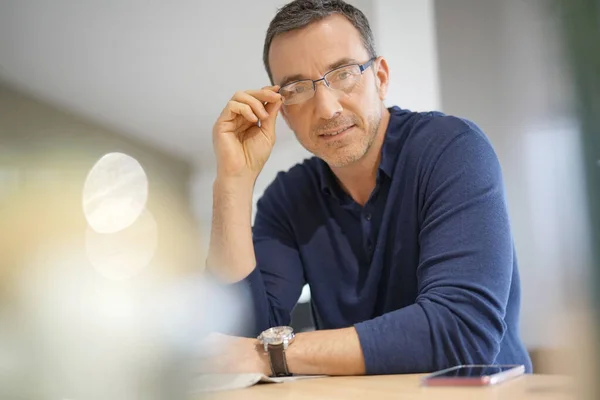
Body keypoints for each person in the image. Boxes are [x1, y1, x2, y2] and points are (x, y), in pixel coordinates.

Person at [205, 0, 532, 376]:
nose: (326, 108)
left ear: (380, 77)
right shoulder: (287, 198)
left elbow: (460, 331)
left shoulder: (452, 149)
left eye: (343, 73)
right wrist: (233, 180)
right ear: (282, 109)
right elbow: (235, 341)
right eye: (297, 88)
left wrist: (272, 354)